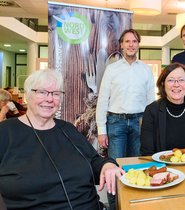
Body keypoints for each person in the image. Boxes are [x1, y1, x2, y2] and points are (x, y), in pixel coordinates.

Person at [0, 69, 124, 210]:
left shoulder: (68, 129)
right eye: (42, 92)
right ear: (27, 95)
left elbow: (94, 161)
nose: (49, 99)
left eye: (56, 94)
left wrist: (107, 165)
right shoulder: (5, 132)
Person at [96, 29, 155, 209]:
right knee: (114, 169)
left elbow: (151, 102)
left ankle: (133, 205)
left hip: (140, 123)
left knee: (136, 168)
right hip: (116, 123)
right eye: (127, 41)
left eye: (134, 41)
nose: (131, 44)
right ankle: (114, 206)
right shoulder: (112, 70)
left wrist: (152, 129)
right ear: (121, 45)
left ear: (138, 44)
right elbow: (103, 100)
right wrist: (101, 130)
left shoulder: (146, 70)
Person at [140, 62, 185, 155]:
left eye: (181, 80)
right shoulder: (151, 110)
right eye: (171, 80)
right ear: (163, 84)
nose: (176, 85)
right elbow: (147, 151)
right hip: (162, 167)